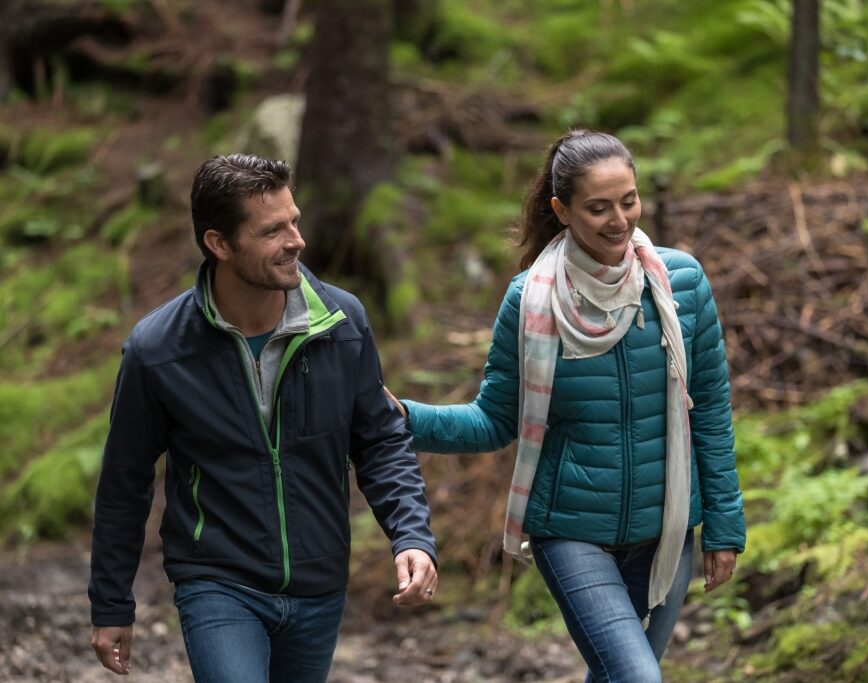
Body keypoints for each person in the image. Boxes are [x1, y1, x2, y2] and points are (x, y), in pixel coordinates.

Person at [389, 130, 745, 682]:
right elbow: (494, 420)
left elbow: (712, 412)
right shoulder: (530, 299)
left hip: (668, 531)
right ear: (562, 210)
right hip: (572, 533)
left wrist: (724, 526)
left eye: (628, 201)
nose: (619, 220)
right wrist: (402, 419)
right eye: (598, 208)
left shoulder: (682, 283)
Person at [88, 153, 438, 683]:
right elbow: (124, 480)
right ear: (220, 243)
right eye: (273, 230)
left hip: (319, 584)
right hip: (217, 580)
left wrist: (410, 535)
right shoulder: (158, 350)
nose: (297, 240)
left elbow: (380, 441)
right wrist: (112, 603)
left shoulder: (341, 324)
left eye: (294, 221)